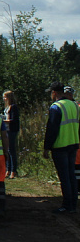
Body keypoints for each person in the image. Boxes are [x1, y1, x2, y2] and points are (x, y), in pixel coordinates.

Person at [43, 82, 79, 214]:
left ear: (54, 93)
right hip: (73, 144)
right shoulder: (74, 105)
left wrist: (46, 147)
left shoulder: (56, 107)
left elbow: (51, 129)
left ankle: (67, 205)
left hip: (60, 146)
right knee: (71, 176)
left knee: (64, 177)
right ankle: (73, 204)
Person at [3, 90, 20, 179]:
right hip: (7, 130)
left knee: (11, 150)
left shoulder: (13, 107)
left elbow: (14, 120)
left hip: (12, 130)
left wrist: (3, 121)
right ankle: (8, 169)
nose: (4, 99)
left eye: (5, 97)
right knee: (7, 150)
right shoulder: (7, 107)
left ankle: (13, 170)